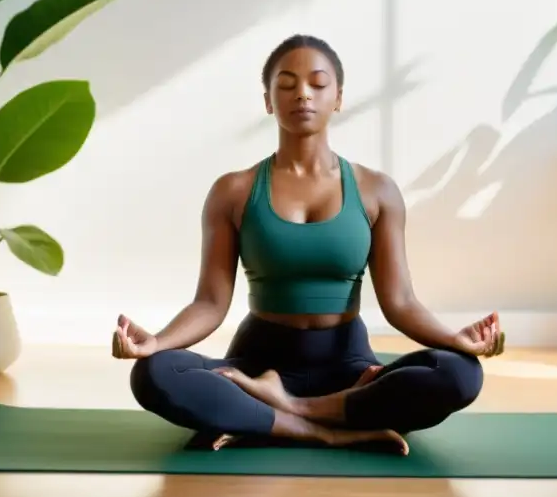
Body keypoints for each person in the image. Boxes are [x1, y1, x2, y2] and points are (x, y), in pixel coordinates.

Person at [112, 34, 504, 454]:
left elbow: (402, 303)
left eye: (318, 83)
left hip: (349, 369)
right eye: (286, 84)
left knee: (460, 372)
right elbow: (210, 303)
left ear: (338, 98)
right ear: (268, 101)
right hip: (256, 365)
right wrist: (156, 343)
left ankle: (277, 413)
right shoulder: (234, 191)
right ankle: (322, 427)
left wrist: (454, 339)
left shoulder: (377, 191)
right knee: (153, 372)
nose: (302, 93)